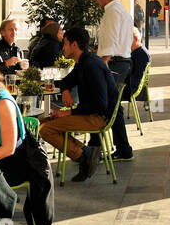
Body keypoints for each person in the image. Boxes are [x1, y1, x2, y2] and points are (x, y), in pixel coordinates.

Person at [37, 27, 115, 181]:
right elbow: (67, 81)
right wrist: (65, 91)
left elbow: (100, 104)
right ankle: (87, 153)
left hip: (98, 117)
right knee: (42, 122)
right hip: (89, 112)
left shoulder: (92, 65)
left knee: (46, 130)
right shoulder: (83, 62)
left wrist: (69, 112)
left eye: (65, 44)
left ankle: (85, 155)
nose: (63, 47)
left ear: (74, 45)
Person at [95, 0, 136, 160]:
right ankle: (120, 147)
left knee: (106, 103)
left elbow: (111, 40)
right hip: (122, 62)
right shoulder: (123, 11)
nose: (97, 1)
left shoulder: (112, 11)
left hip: (114, 63)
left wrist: (102, 64)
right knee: (112, 105)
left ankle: (100, 147)